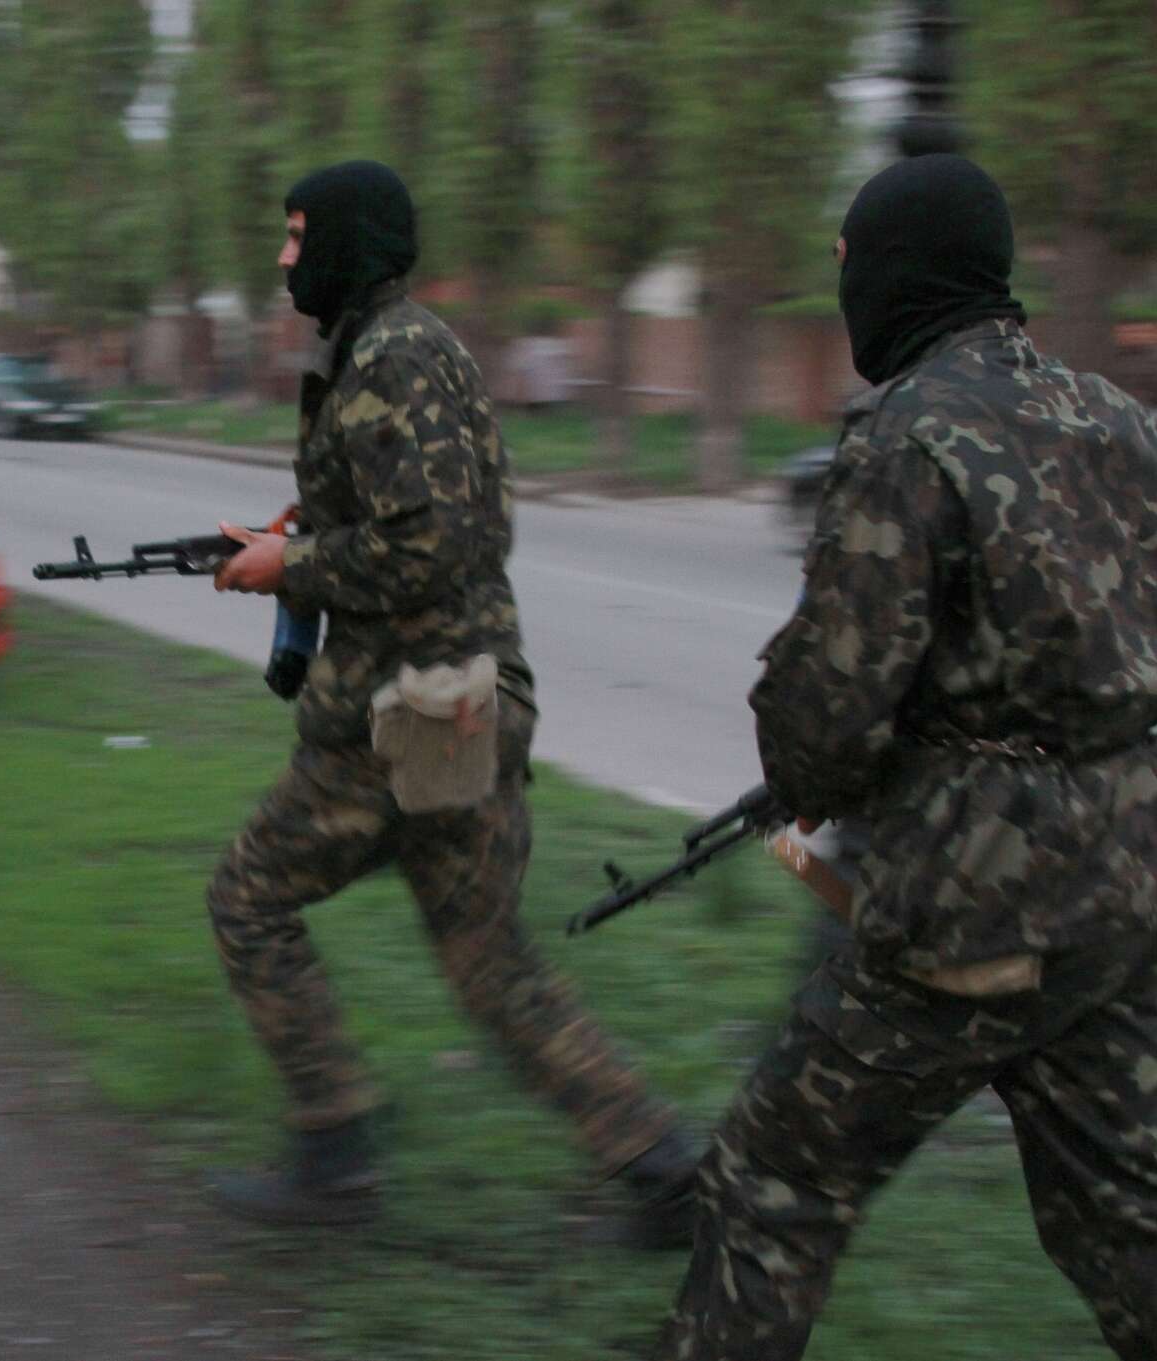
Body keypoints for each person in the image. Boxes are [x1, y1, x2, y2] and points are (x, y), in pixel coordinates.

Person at [651, 154, 1157, 1360]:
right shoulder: (1114, 415)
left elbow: (822, 723)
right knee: (1119, 1217)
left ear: (899, 273)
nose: (843, 293)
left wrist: (854, 760)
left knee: (770, 1179)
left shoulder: (905, 437)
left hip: (976, 898)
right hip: (1130, 880)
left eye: (848, 267)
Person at [201, 160, 699, 1239]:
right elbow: (434, 514)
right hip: (458, 704)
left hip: (405, 714)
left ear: (348, 242)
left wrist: (293, 566)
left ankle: (334, 1149)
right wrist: (298, 533)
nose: (284, 258)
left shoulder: (390, 356)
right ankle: (664, 1169)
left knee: (246, 899)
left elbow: (433, 542)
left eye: (299, 236)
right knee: (488, 963)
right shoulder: (408, 345)